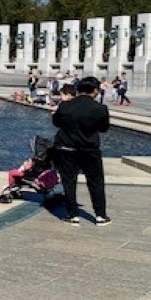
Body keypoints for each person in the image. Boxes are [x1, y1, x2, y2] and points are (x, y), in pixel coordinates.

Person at [52, 76, 111, 225]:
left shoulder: (65, 106)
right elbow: (104, 129)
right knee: (96, 182)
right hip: (90, 149)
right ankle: (100, 215)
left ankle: (73, 215)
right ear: (95, 90)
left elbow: (56, 122)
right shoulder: (100, 108)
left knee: (69, 182)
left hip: (67, 149)